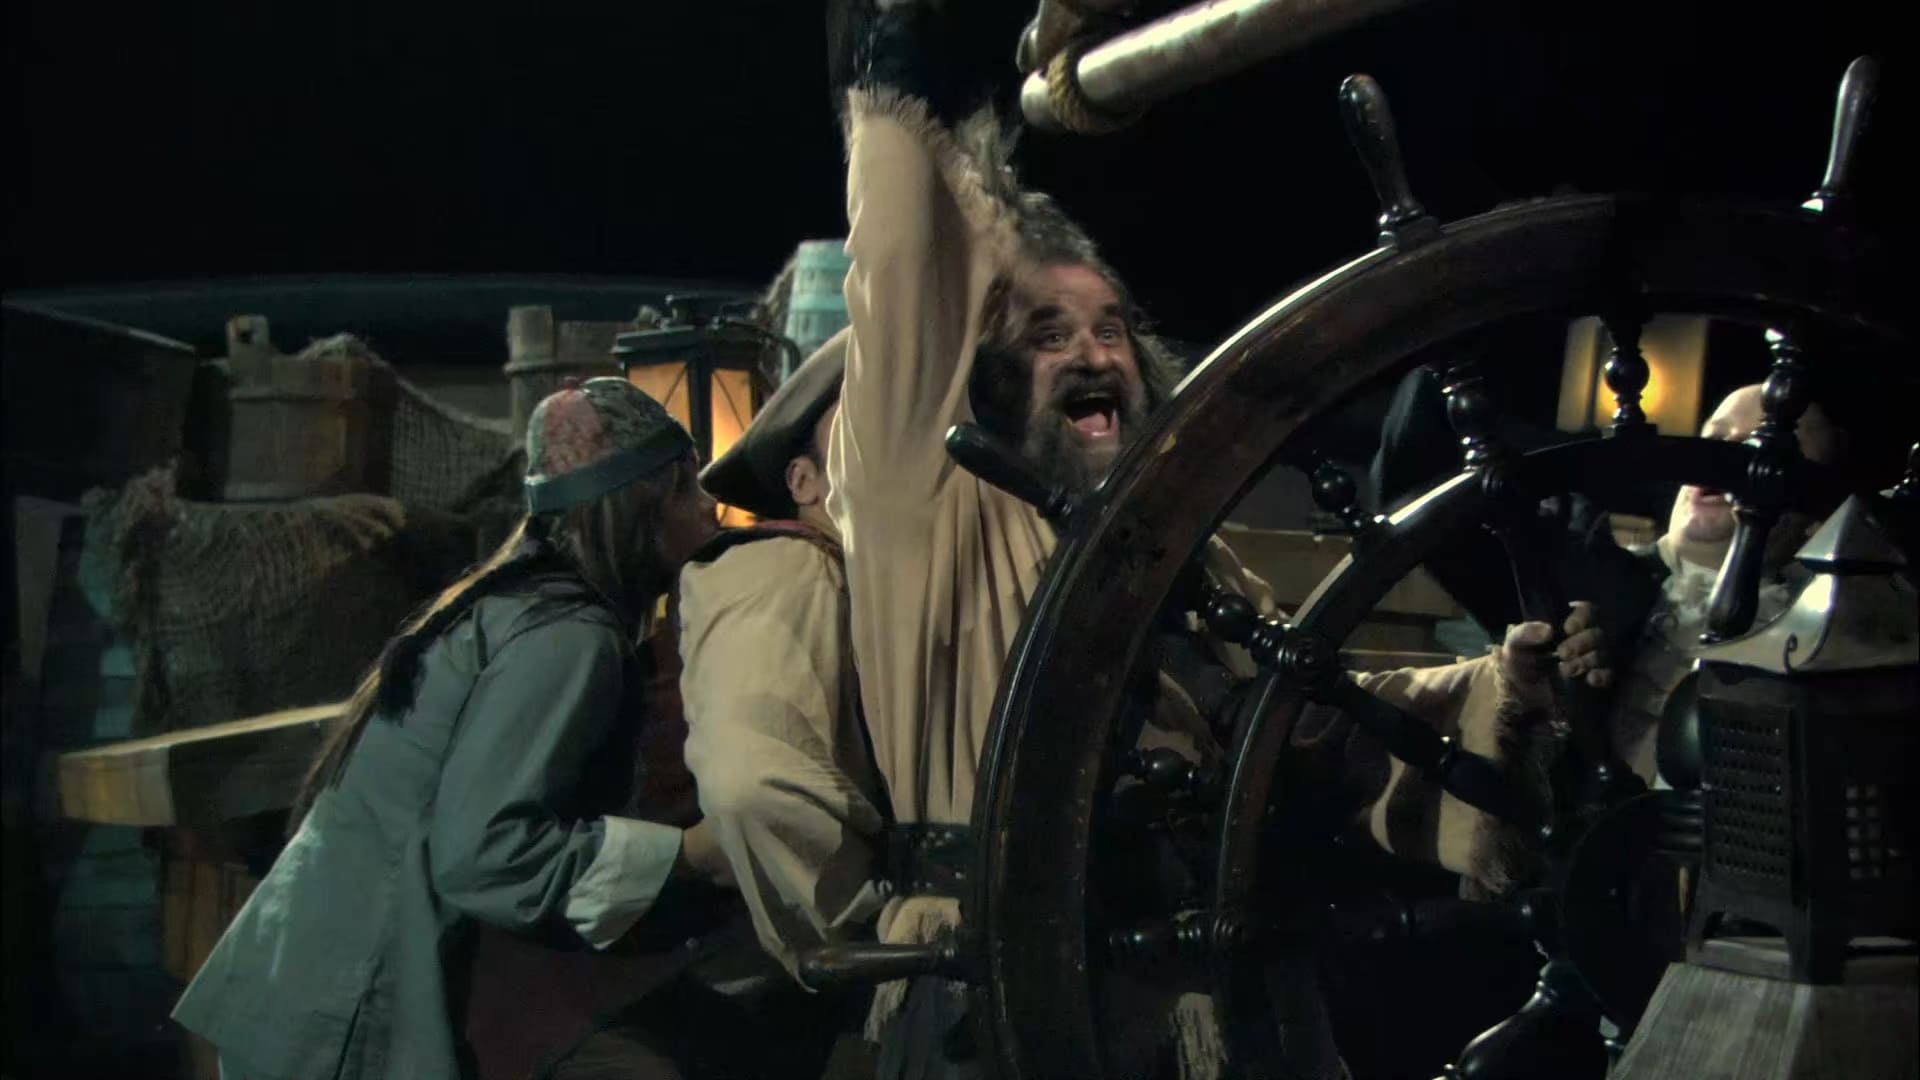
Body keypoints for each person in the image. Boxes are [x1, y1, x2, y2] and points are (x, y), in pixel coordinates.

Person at [821, 7, 1604, 1078]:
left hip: (1203, 1003)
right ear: (988, 380)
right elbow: (907, 261)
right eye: (1047, 335)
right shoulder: (934, 513)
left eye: (1109, 329)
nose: (1093, 354)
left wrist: (1501, 684)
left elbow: (1305, 714)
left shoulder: (1178, 557)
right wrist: (907, 50)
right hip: (1004, 997)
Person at [173, 377, 734, 1079]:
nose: (710, 506)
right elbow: (485, 855)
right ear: (636, 507)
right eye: (684, 486)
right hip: (347, 1014)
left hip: (316, 981)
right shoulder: (566, 637)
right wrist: (690, 855)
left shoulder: (516, 604)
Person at [679, 328, 891, 982]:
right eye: (861, 430)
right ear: (804, 480)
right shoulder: (791, 568)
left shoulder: (888, 577)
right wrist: (873, 927)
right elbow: (754, 785)